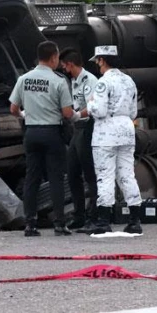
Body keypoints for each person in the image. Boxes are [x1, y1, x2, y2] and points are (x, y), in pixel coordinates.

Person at [9, 41, 77, 237]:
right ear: (54, 57)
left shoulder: (24, 79)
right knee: (55, 178)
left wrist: (25, 115)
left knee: (32, 178)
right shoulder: (58, 81)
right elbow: (66, 113)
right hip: (52, 134)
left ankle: (30, 223)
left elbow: (13, 109)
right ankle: (59, 224)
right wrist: (77, 115)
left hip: (31, 133)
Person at [85, 45, 142, 235]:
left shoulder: (102, 83)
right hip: (126, 129)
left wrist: (90, 103)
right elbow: (134, 111)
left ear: (102, 60)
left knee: (105, 175)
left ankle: (103, 221)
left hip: (106, 133)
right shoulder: (129, 81)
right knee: (127, 174)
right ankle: (135, 220)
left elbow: (99, 111)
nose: (97, 66)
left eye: (98, 62)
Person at [59, 48, 99, 232]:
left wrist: (75, 115)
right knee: (73, 172)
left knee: (90, 173)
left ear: (70, 64)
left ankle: (94, 215)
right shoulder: (74, 81)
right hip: (77, 129)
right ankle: (79, 215)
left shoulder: (89, 80)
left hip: (87, 127)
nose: (63, 69)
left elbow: (91, 107)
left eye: (64, 65)